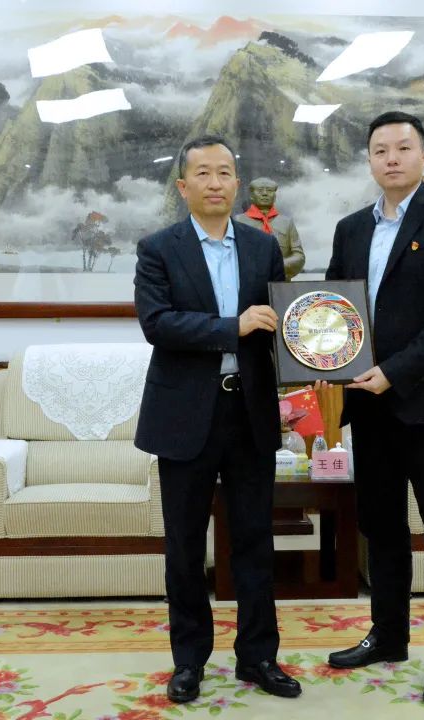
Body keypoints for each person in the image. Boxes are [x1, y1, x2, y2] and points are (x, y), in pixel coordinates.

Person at [323, 111, 424, 705]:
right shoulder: (350, 229)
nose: (391, 158)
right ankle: (388, 636)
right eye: (380, 150)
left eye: (402, 148)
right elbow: (331, 311)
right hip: (368, 406)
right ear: (369, 160)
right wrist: (319, 366)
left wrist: (394, 371)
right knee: (380, 526)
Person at [133, 135, 301, 703]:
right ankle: (189, 662)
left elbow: (280, 323)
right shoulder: (158, 249)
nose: (214, 182)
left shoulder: (262, 246)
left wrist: (321, 357)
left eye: (224, 172)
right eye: (202, 173)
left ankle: (258, 657)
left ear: (237, 183)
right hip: (184, 414)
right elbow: (158, 324)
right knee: (184, 546)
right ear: (183, 186)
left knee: (255, 540)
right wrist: (233, 326)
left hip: (249, 411)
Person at [235, 176, 306, 280]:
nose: (265, 193)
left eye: (269, 190)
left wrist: (278, 266)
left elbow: (299, 256)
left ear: (275, 196)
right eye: (260, 190)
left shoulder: (287, 223)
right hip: (248, 282)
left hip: (280, 283)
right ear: (252, 196)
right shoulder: (238, 221)